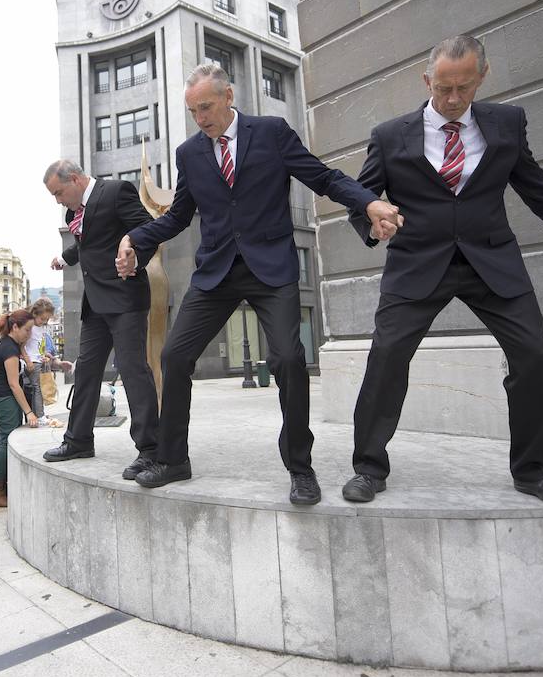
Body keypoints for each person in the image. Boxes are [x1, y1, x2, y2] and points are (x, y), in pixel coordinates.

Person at [341, 35, 543, 509]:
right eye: (443, 89)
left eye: (464, 87)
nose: (453, 99)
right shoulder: (389, 135)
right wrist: (374, 223)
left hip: (491, 260)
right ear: (427, 81)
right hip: (417, 262)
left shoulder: (506, 123)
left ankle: (534, 471)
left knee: (535, 356)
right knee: (387, 357)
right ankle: (369, 468)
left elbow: (540, 190)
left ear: (482, 77)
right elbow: (362, 196)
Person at [117, 62, 402, 505]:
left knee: (288, 358)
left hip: (271, 268)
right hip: (216, 272)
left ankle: (300, 469)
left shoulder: (272, 133)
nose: (201, 118)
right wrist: (134, 238)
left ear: (228, 97)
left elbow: (323, 178)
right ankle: (173, 459)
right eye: (193, 111)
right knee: (175, 357)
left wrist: (368, 204)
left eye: (206, 107)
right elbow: (178, 216)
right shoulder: (190, 153)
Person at [43, 160, 160, 478]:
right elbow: (87, 242)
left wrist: (135, 258)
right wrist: (65, 258)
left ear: (76, 179)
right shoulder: (74, 212)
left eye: (59, 192)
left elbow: (147, 229)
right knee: (86, 372)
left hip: (125, 298)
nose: (58, 200)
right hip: (95, 305)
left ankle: (150, 450)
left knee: (133, 371)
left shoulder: (116, 191)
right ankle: (78, 440)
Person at [0, 309, 36, 507]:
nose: (29, 334)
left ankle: (0, 484)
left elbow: (20, 345)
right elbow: (14, 384)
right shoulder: (9, 349)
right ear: (15, 327)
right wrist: (29, 412)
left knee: (3, 438)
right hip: (2, 396)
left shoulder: (8, 342)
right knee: (7, 439)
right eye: (27, 329)